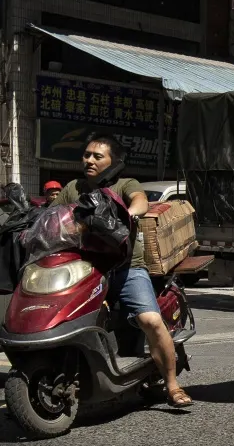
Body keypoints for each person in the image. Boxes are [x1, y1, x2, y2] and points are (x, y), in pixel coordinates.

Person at [54, 134, 190, 407]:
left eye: (97, 156)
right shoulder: (73, 188)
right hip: (86, 268)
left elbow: (139, 200)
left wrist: (130, 213)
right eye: (87, 154)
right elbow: (54, 215)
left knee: (151, 321)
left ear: (113, 161)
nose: (89, 160)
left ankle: (173, 384)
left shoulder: (125, 184)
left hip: (127, 267)